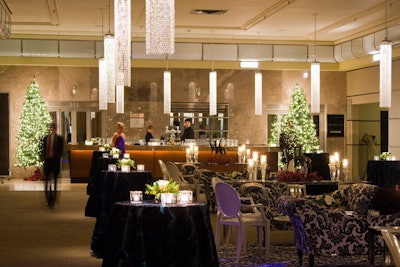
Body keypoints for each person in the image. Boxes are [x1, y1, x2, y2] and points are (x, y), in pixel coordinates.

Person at [42, 123, 64, 208]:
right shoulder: (45, 138)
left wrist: (57, 158)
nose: (52, 129)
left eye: (53, 127)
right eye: (51, 127)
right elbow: (43, 150)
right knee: (47, 182)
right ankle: (48, 199)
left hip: (55, 162)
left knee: (54, 182)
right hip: (47, 162)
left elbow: (61, 150)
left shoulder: (59, 139)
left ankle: (53, 199)